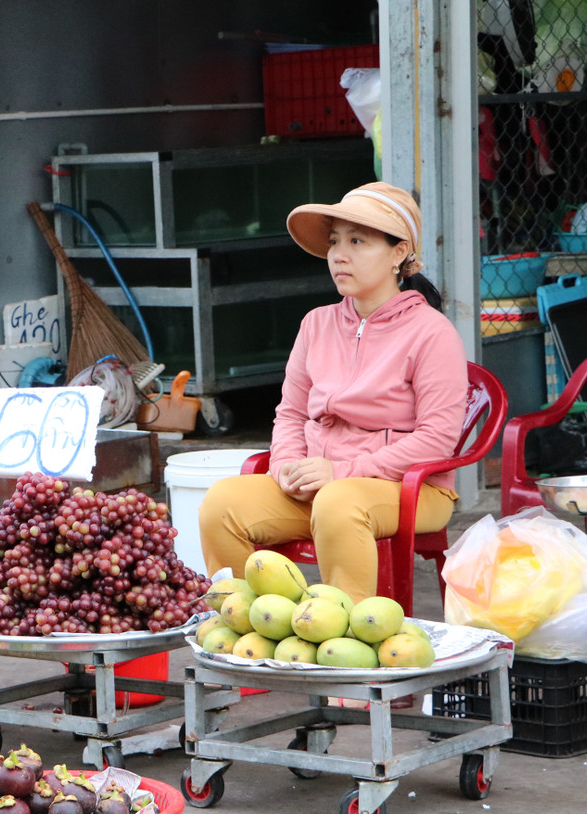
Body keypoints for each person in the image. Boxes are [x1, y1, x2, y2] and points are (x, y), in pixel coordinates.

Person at [198, 182, 467, 603]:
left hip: (410, 488)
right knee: (222, 503)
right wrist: (287, 468)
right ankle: (253, 625)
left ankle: (350, 637)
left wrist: (341, 473)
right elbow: (290, 413)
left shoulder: (432, 333)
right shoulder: (316, 324)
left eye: (357, 241)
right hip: (319, 488)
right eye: (335, 241)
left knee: (340, 504)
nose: (339, 255)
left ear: (399, 254)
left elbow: (436, 439)